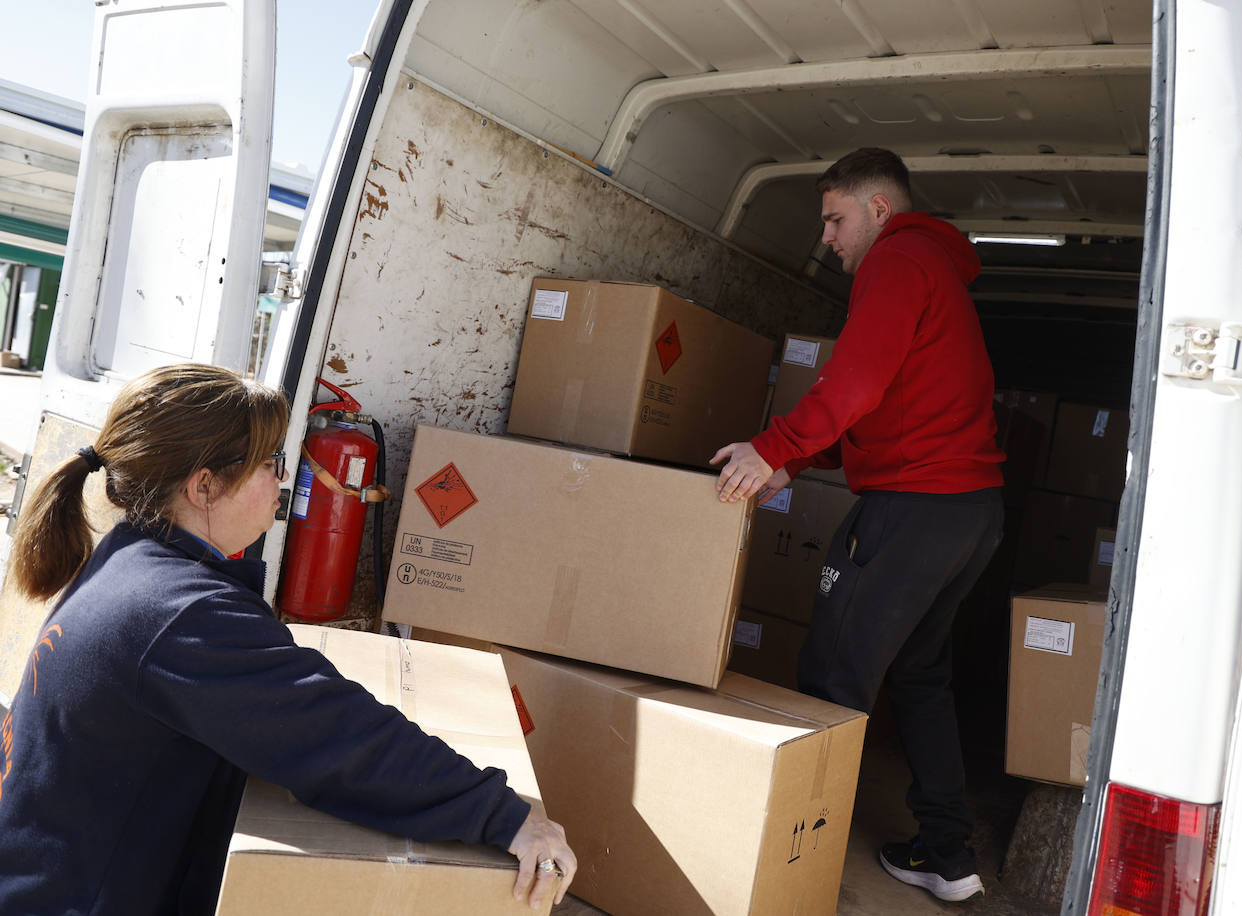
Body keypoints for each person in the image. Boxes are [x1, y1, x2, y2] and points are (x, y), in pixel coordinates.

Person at [0, 363, 575, 914]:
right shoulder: (178, 611)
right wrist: (506, 817)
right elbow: (336, 733)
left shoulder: (133, 556)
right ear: (204, 487)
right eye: (270, 462)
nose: (286, 476)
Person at [711, 148, 1004, 902]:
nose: (828, 239)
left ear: (879, 209)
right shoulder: (934, 270)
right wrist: (795, 464)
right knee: (920, 675)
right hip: (968, 511)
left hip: (914, 508)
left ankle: (785, 865)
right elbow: (885, 401)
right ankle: (948, 856)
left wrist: (774, 446)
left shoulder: (898, 260)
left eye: (836, 220)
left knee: (832, 677)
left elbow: (857, 379)